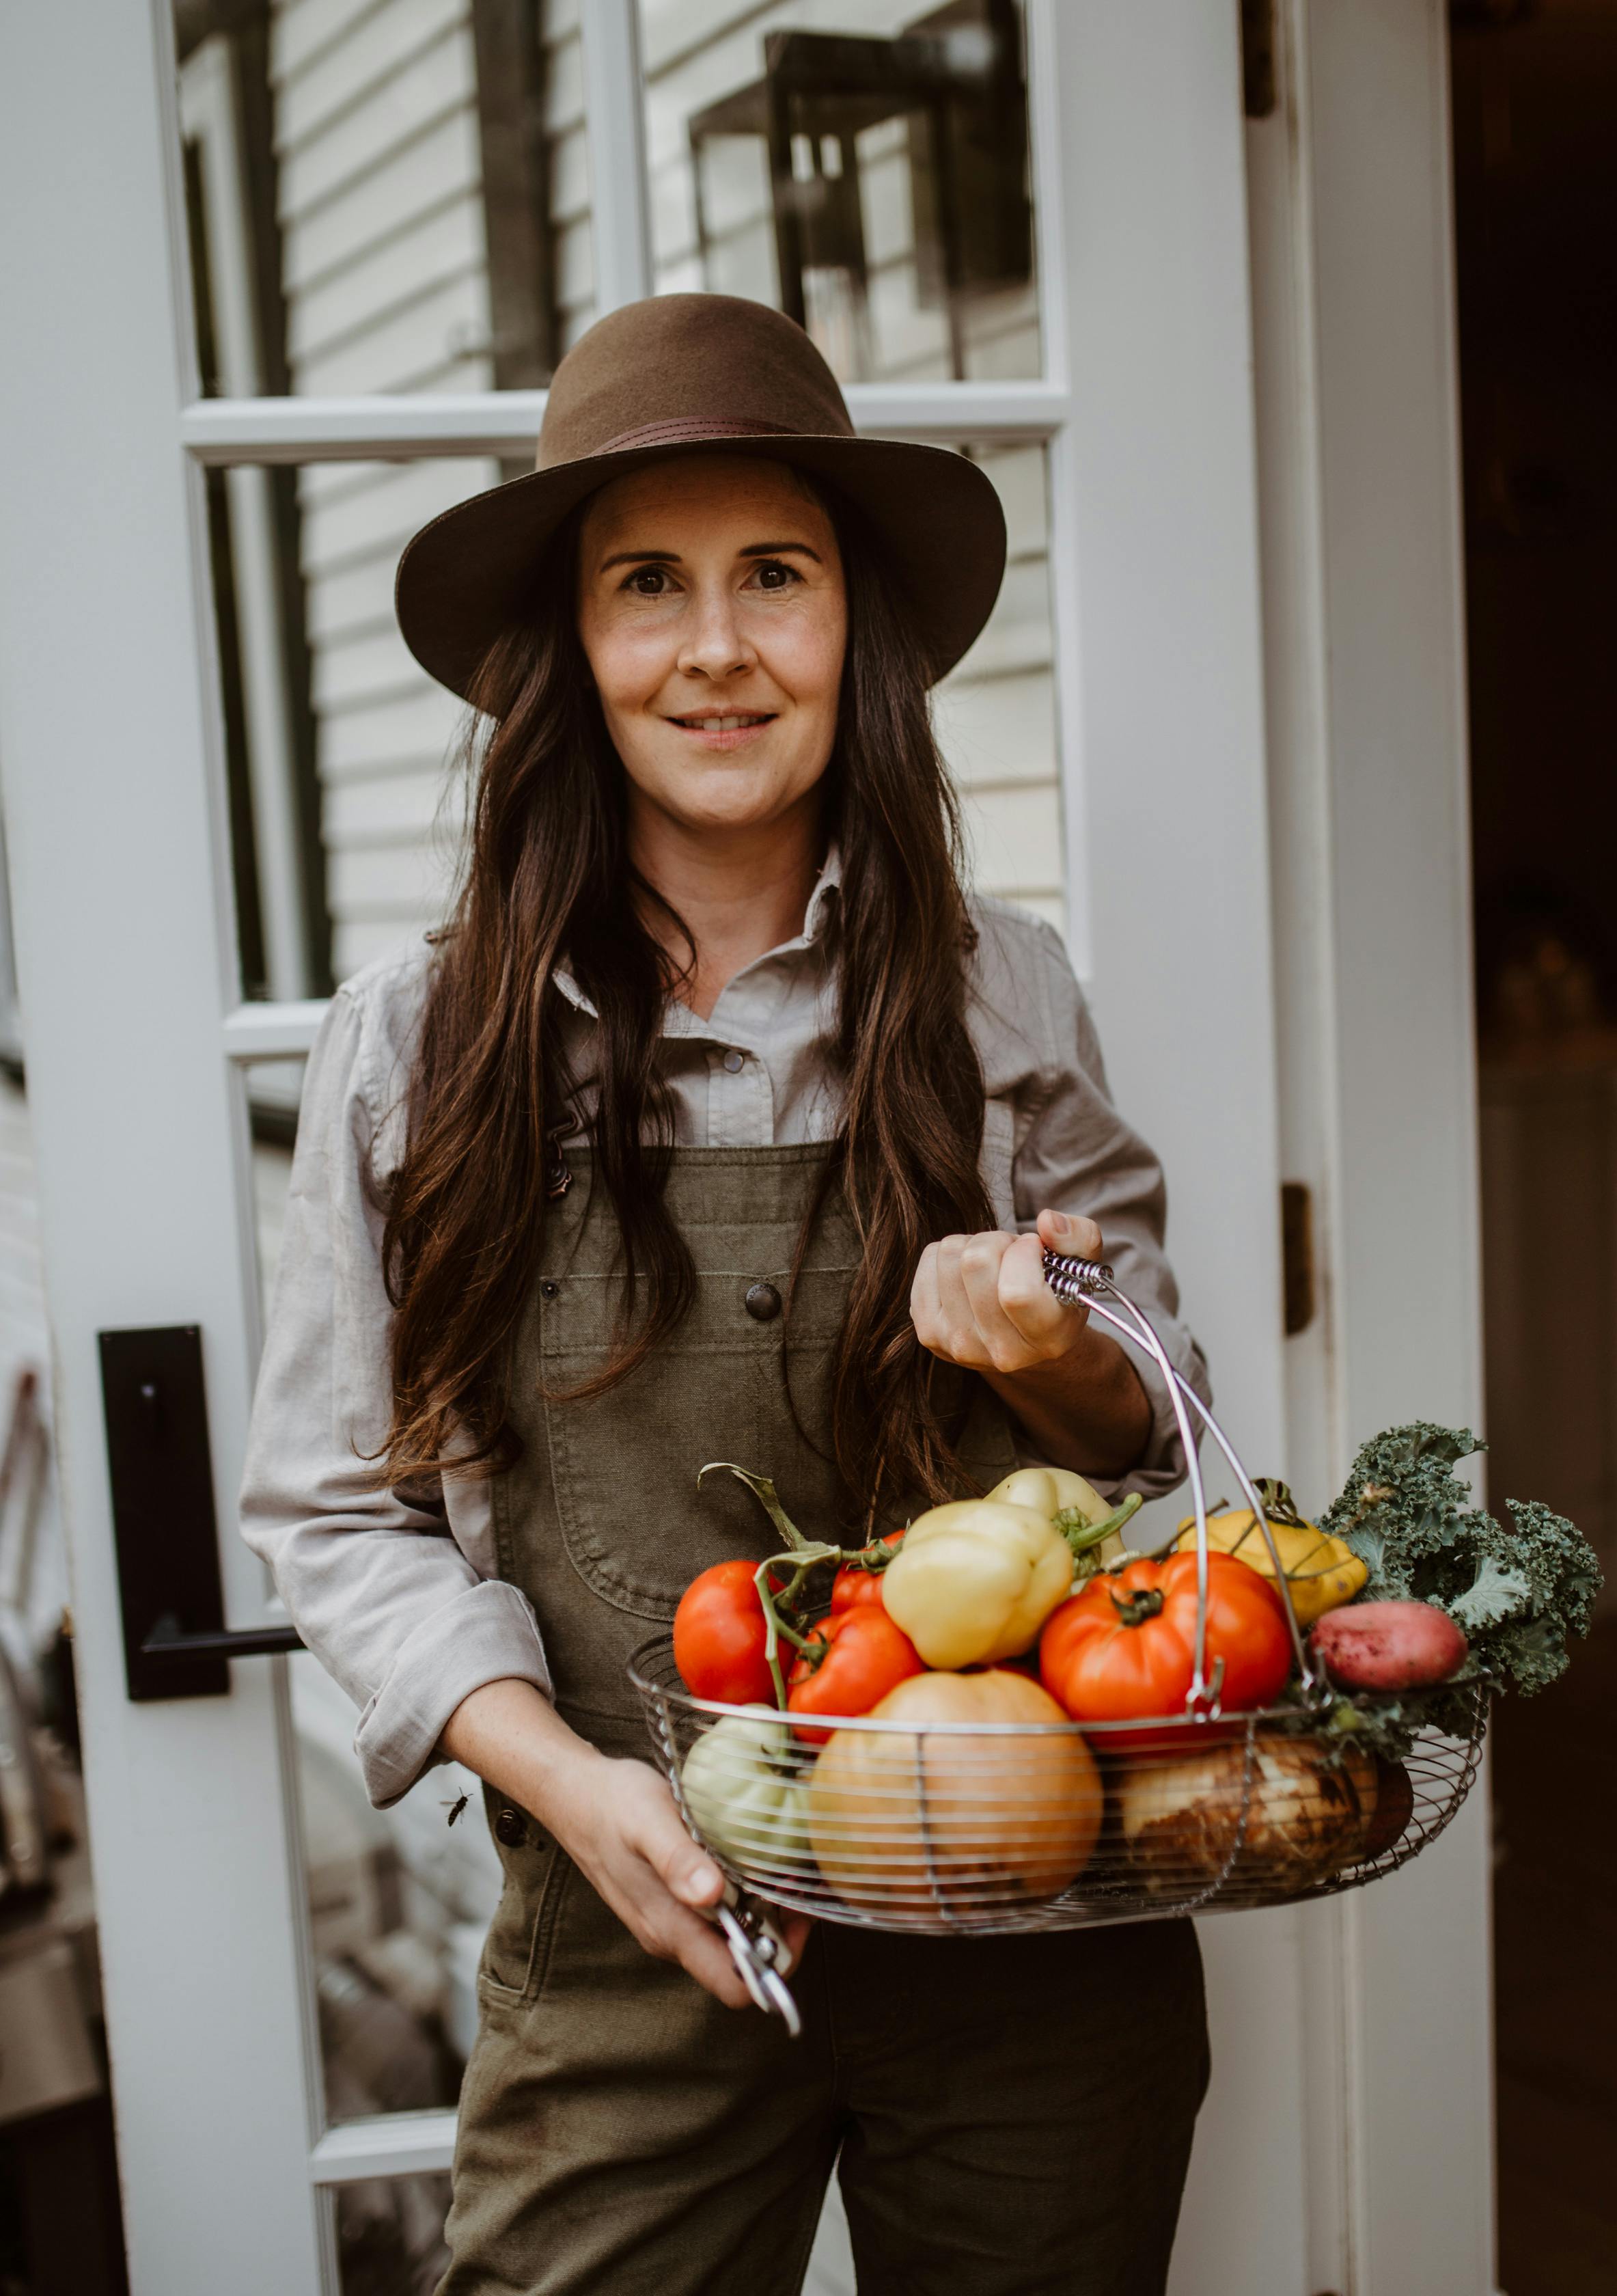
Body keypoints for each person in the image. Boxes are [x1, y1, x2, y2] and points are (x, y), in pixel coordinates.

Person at [243, 293, 1211, 2296]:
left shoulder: (997, 992)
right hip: (628, 1923)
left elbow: (1163, 1436)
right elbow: (339, 1509)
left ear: (852, 626)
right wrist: (569, 1787)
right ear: (569, 652)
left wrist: (1054, 1357)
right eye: (644, 586)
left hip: (1027, 1923)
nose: (714, 648)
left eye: (775, 575)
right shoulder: (418, 1043)